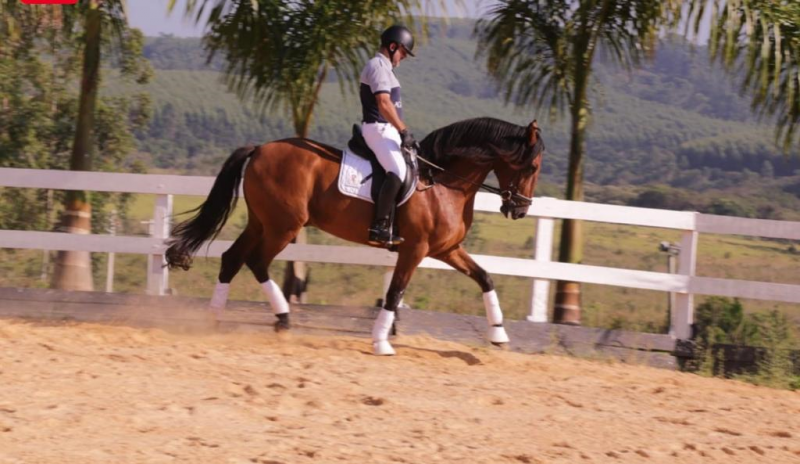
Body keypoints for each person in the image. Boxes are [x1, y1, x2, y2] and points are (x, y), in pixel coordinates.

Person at [360, 24, 417, 248]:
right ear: (393, 46)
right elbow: (383, 103)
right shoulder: (378, 66)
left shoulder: (386, 69)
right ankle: (379, 227)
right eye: (403, 52)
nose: (402, 58)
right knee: (398, 171)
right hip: (377, 128)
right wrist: (403, 130)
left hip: (387, 129)